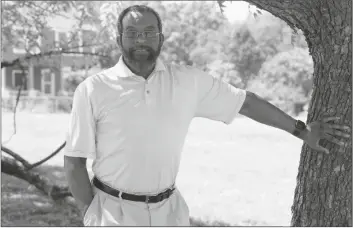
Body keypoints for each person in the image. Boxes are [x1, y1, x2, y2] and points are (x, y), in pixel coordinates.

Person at [64, 5, 350, 227]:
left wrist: (301, 130)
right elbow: (75, 161)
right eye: (132, 33)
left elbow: (245, 102)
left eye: (149, 32)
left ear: (161, 38)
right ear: (118, 39)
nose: (141, 39)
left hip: (170, 213)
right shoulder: (94, 89)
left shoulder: (187, 82)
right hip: (114, 214)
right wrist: (91, 215)